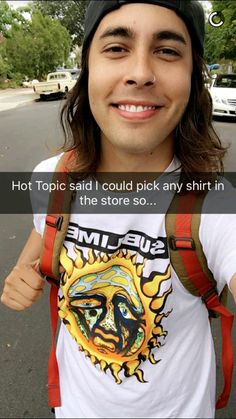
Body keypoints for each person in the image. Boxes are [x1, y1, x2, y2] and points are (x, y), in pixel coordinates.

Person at [1, 1, 236, 418]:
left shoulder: (215, 205)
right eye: (116, 48)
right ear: (87, 69)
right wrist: (24, 271)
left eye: (167, 50)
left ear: (192, 78)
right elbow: (44, 229)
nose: (141, 72)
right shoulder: (51, 178)